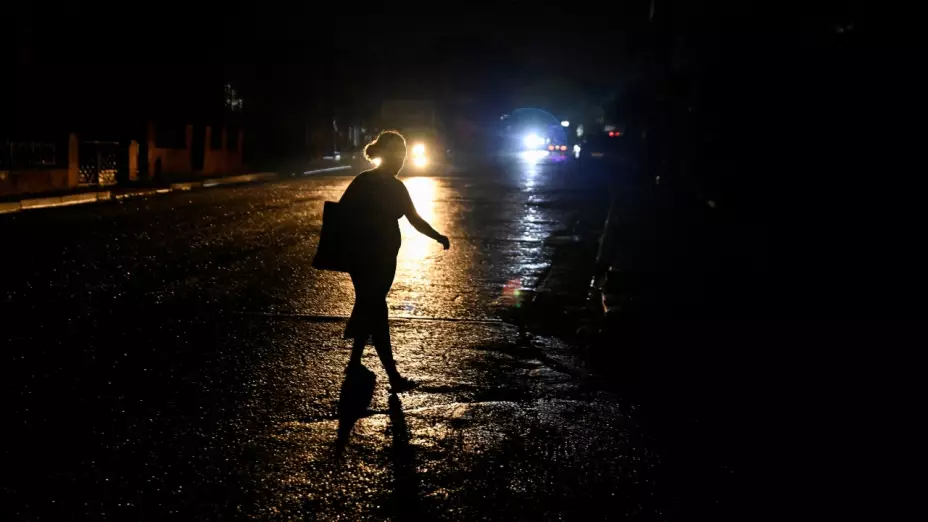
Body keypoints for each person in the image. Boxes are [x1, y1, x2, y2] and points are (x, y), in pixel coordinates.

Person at [338, 130, 450, 392]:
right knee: (376, 309)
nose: (402, 161)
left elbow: (341, 214)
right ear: (387, 155)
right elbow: (415, 219)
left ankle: (355, 362)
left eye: (404, 155)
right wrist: (438, 236)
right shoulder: (391, 186)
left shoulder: (363, 181)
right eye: (398, 155)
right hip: (377, 259)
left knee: (369, 304)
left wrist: (437, 236)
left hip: (363, 258)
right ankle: (393, 376)